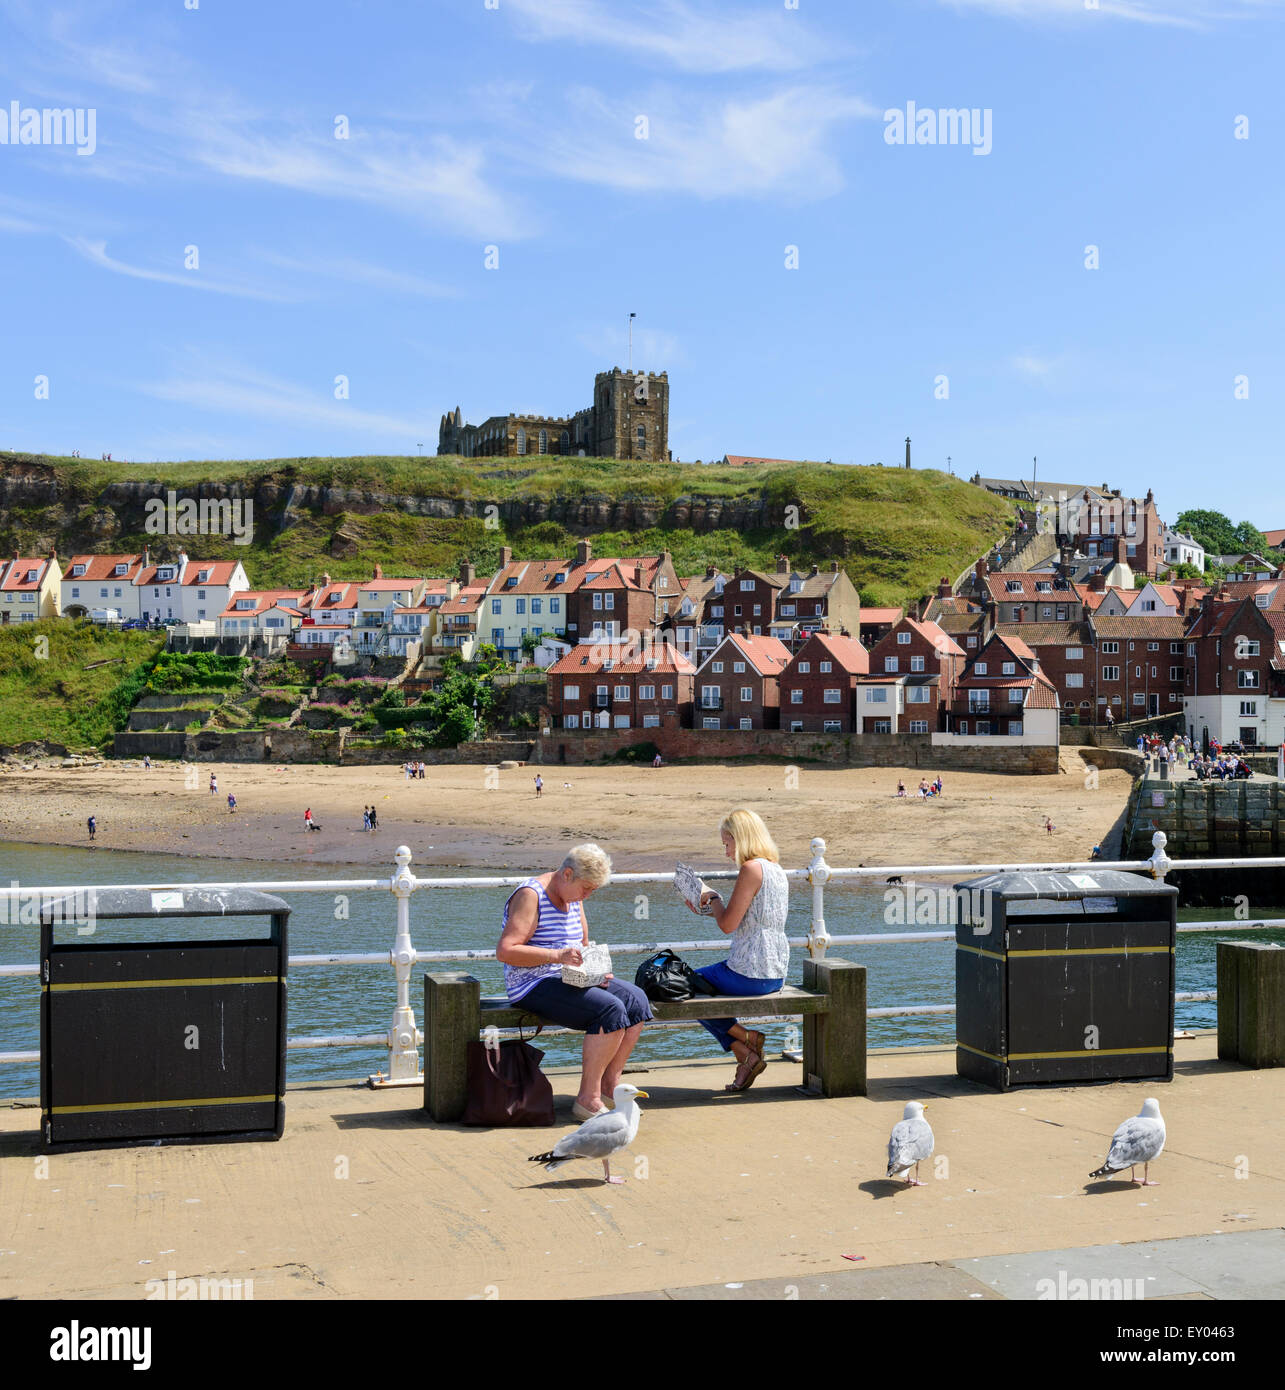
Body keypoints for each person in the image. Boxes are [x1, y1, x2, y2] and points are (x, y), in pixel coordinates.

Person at [496, 843, 651, 1119]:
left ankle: (609, 1084)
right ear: (567, 874)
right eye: (587, 888)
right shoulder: (531, 895)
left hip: (569, 975)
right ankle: (587, 1099)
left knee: (636, 1000)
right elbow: (506, 951)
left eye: (593, 890)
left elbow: (583, 943)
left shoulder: (574, 896)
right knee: (610, 1009)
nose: (587, 896)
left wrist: (596, 970)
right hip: (531, 982)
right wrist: (556, 955)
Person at [688, 809, 790, 1093]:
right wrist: (706, 909)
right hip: (774, 971)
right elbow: (747, 918)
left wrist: (715, 898)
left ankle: (746, 1039)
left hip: (750, 970)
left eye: (726, 843)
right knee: (697, 984)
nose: (726, 851)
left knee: (685, 986)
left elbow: (728, 925)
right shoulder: (774, 869)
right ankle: (744, 1052)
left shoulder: (750, 869)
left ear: (741, 838)